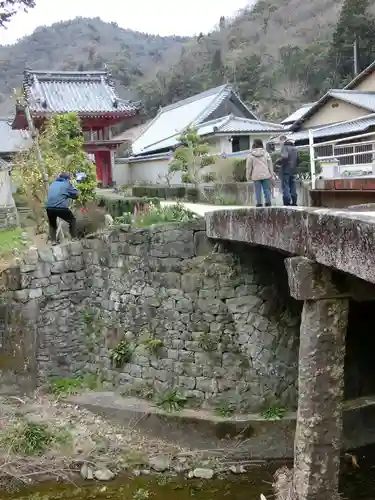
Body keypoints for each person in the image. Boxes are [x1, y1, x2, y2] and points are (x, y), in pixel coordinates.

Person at [45, 172, 78, 244]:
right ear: (67, 179)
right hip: (60, 207)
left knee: (52, 224)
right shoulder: (67, 184)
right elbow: (76, 195)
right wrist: (73, 187)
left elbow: (59, 194)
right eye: (69, 179)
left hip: (49, 207)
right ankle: (74, 238)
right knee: (72, 220)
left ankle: (53, 241)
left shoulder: (53, 183)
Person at [246, 139, 274, 207]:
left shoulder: (251, 155)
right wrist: (271, 174)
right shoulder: (266, 153)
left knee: (257, 190)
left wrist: (248, 176)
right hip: (266, 174)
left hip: (255, 175)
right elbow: (270, 165)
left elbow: (248, 167)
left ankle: (259, 203)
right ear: (261, 144)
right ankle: (268, 202)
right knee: (266, 189)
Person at [279, 136, 299, 206]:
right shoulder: (295, 149)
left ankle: (287, 201)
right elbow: (298, 159)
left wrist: (278, 162)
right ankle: (294, 201)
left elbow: (284, 157)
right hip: (293, 170)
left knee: (285, 185)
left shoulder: (285, 147)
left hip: (285, 169)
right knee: (293, 185)